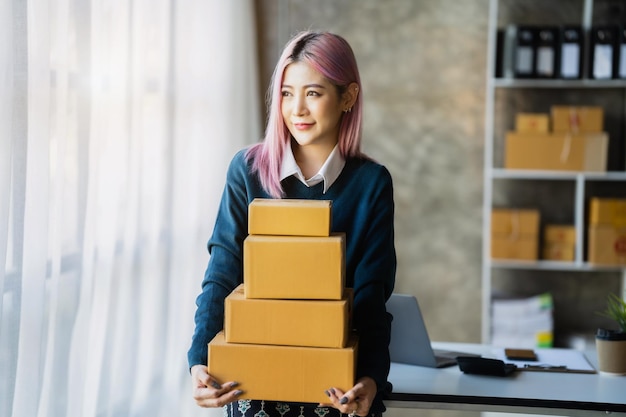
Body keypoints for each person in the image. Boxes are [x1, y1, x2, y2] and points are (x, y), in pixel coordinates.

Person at [188, 30, 396, 417]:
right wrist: (200, 359)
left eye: (313, 93)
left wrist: (369, 377)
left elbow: (372, 291)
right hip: (254, 383)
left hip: (334, 387)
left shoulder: (371, 183)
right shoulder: (247, 170)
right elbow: (223, 270)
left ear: (348, 97)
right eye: (286, 93)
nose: (297, 108)